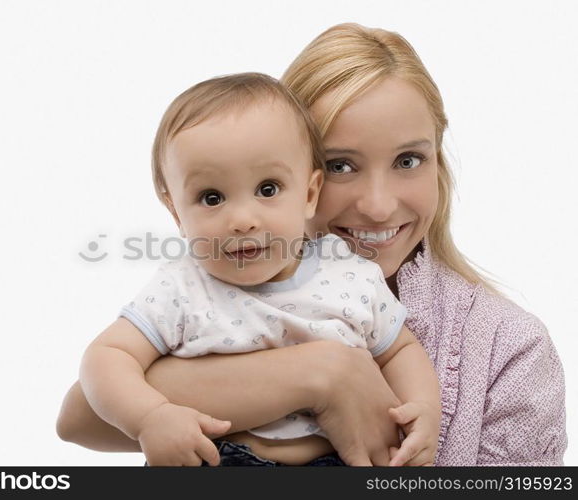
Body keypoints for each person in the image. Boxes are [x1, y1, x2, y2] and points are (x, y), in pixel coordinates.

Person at [57, 23, 567, 466]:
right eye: (342, 164)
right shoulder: (197, 284)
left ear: (306, 188)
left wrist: (416, 408)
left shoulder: (510, 351)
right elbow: (79, 417)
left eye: (409, 160)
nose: (378, 206)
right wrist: (321, 374)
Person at [78, 72, 441, 466]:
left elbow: (400, 349)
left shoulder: (347, 272)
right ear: (175, 212)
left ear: (308, 193)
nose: (243, 219)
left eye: (267, 189)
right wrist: (149, 417)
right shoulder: (182, 286)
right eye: (211, 197)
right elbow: (107, 356)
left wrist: (423, 407)